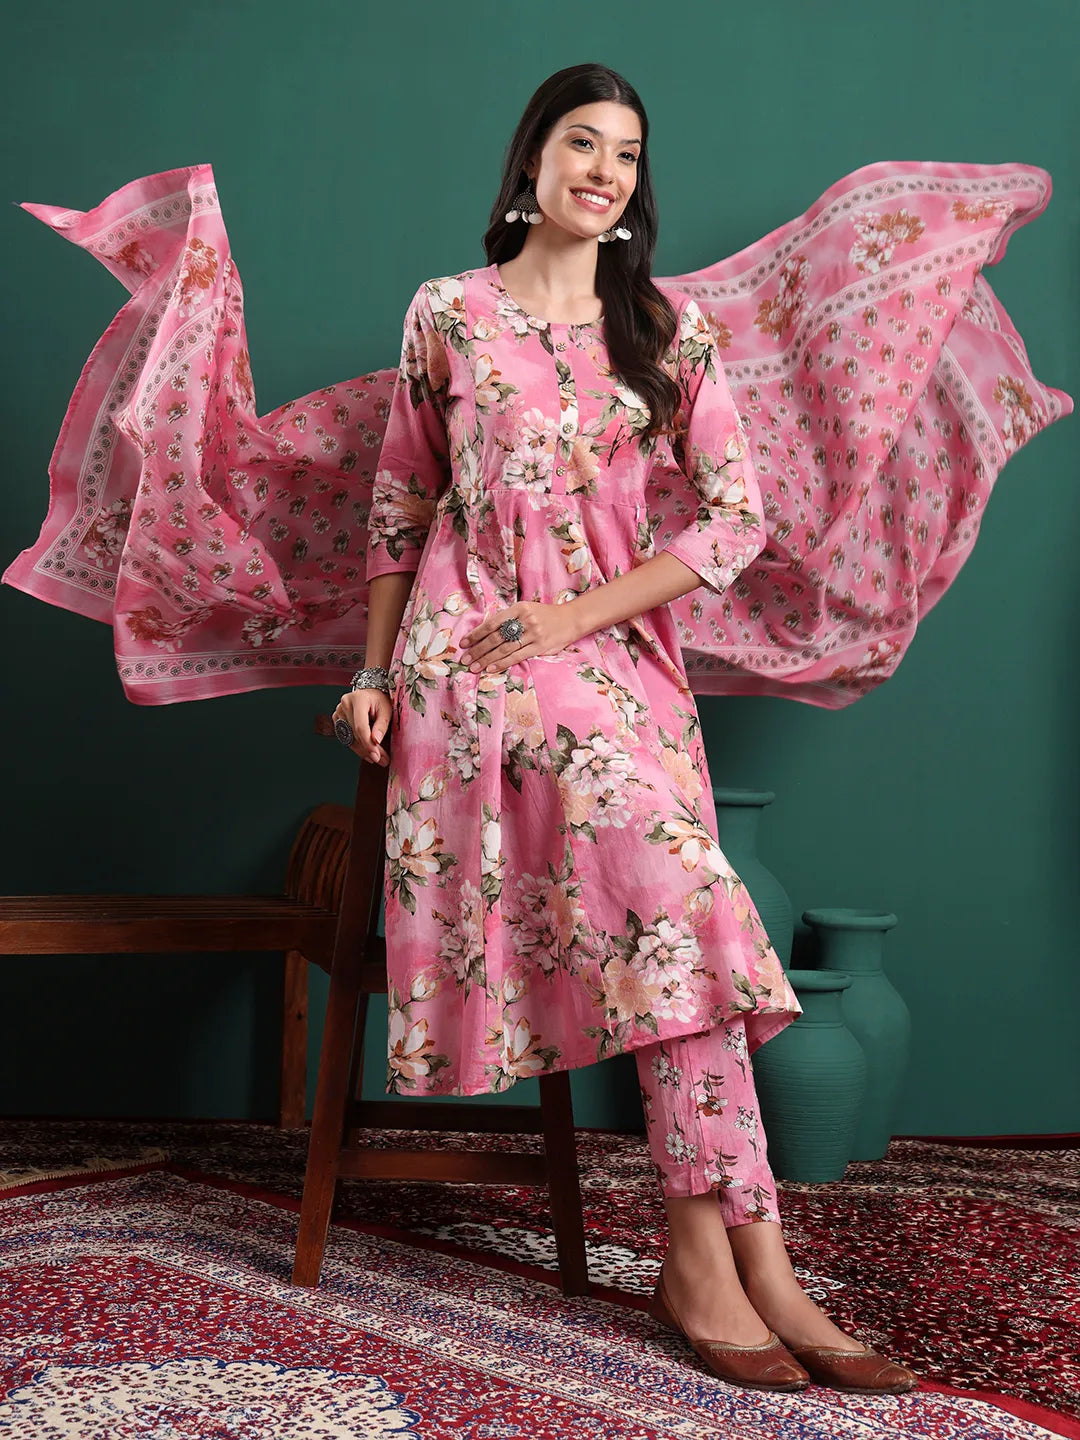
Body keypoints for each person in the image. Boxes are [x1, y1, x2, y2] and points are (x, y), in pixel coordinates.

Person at [333, 61, 918, 1397]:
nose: (604, 170)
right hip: (475, 658)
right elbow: (399, 505)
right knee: (682, 895)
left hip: (610, 658)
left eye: (627, 153)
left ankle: (736, 1258)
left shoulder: (667, 327)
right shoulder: (448, 313)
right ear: (530, 160)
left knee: (678, 908)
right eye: (581, 143)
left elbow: (734, 518)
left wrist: (578, 615)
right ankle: (739, 1263)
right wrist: (369, 673)